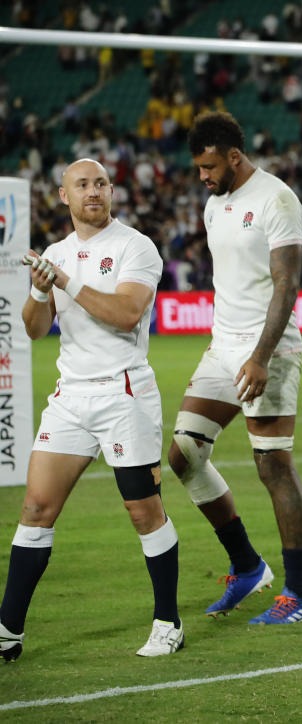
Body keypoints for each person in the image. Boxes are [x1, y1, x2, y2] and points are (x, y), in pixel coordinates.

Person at [1, 159, 180, 661]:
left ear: (111, 191)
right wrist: (40, 288)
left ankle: (168, 621)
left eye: (101, 183)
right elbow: (35, 329)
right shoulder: (56, 253)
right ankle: (7, 632)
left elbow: (126, 313)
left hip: (124, 393)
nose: (93, 192)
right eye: (82, 185)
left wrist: (62, 281)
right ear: (64, 197)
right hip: (71, 396)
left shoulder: (134, 246)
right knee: (36, 508)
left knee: (142, 510)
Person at [167, 111, 302, 625]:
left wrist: (260, 356)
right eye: (199, 168)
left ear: (234, 156)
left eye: (210, 167)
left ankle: (298, 593)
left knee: (273, 465)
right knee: (183, 454)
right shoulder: (215, 204)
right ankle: (248, 566)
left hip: (268, 351)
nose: (203, 177)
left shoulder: (276, 199)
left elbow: (286, 284)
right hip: (222, 347)